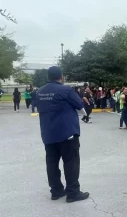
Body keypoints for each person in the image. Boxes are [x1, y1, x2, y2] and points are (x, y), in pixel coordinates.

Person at [36, 66, 89, 203]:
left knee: (51, 162)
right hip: (67, 134)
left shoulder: (39, 92)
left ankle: (56, 191)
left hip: (48, 134)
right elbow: (79, 105)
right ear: (61, 76)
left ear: (48, 77)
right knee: (71, 162)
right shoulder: (66, 90)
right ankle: (73, 193)